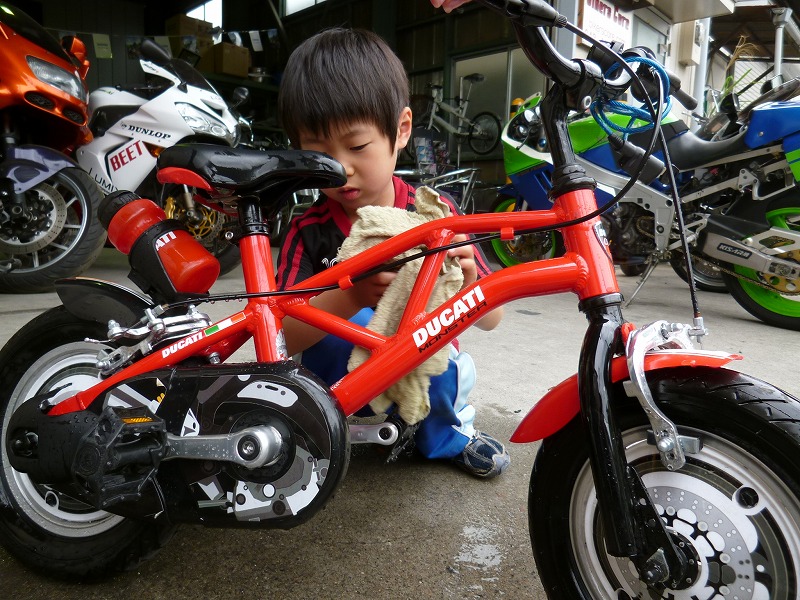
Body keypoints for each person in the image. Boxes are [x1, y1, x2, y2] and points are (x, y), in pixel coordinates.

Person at [275, 26, 509, 479]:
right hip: (337, 379)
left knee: (440, 350)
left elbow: (492, 318)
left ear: (401, 130)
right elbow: (281, 336)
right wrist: (351, 296)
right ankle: (324, 433)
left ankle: (445, 436)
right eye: (318, 154)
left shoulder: (434, 215)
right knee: (354, 329)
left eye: (357, 146)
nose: (341, 169)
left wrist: (468, 277)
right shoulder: (308, 230)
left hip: (425, 370)